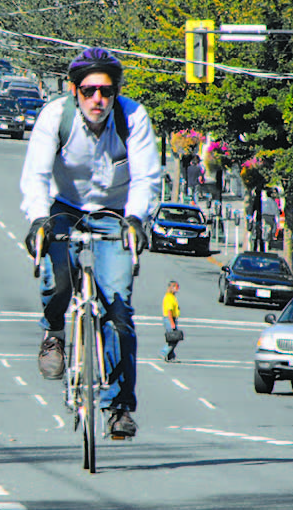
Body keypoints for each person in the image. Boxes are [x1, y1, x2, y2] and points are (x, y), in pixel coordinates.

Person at [20, 47, 161, 438]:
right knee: (59, 277)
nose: (97, 99)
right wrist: (37, 221)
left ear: (116, 91)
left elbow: (147, 177)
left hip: (116, 213)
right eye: (87, 90)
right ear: (73, 91)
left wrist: (136, 219)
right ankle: (53, 333)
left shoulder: (133, 117)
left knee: (118, 308)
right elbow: (35, 174)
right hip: (64, 207)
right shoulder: (54, 116)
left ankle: (118, 408)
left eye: (105, 90)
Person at [160, 281, 181, 362]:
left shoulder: (171, 296)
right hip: (170, 319)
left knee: (173, 338)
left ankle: (171, 356)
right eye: (176, 288)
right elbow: (169, 311)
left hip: (172, 318)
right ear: (171, 287)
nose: (177, 290)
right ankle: (164, 353)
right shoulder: (169, 297)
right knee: (173, 339)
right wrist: (172, 323)